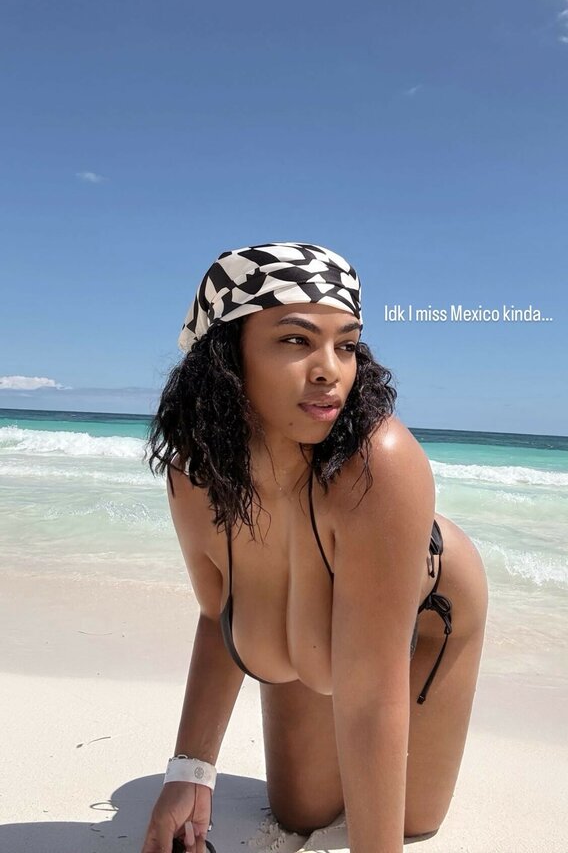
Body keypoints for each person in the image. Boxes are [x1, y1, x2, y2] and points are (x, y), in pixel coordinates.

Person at [140, 242, 488, 853]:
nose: (330, 370)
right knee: (301, 813)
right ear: (227, 353)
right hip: (312, 617)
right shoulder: (195, 476)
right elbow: (218, 615)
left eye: (346, 345)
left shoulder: (377, 464)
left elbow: (372, 695)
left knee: (409, 822)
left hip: (424, 610)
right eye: (296, 340)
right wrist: (189, 773)